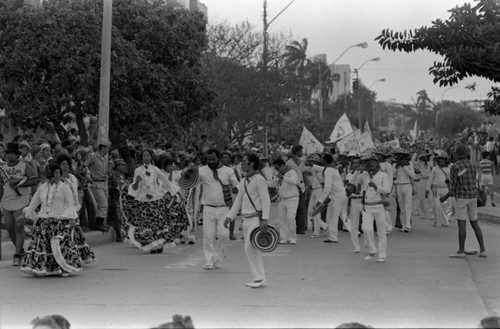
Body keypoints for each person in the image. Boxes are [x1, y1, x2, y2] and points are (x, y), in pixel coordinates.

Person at [21, 163, 81, 277]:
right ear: (50, 174)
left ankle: (63, 268)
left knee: (58, 245)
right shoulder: (42, 188)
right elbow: (34, 202)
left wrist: (71, 218)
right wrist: (27, 213)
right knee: (41, 243)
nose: (58, 175)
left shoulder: (65, 187)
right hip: (43, 219)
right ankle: (41, 267)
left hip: (59, 220)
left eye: (59, 173)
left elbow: (70, 204)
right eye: (55, 173)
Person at [122, 149, 187, 253]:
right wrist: (137, 182)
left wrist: (177, 194)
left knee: (158, 223)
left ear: (151, 157)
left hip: (155, 200)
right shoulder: (138, 170)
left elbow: (167, 183)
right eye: (143, 156)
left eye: (147, 155)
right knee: (147, 224)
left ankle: (159, 244)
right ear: (141, 158)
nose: (145, 157)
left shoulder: (156, 169)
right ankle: (151, 245)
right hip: (143, 201)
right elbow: (134, 187)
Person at [224, 152, 271, 288]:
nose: (242, 164)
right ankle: (259, 278)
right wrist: (229, 217)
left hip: (256, 218)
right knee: (251, 249)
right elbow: (238, 201)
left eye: (244, 161)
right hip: (246, 219)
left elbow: (266, 200)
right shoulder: (243, 181)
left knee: (250, 247)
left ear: (251, 164)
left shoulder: (259, 179)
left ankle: (259, 278)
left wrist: (265, 219)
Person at [196, 148, 239, 269]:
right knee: (208, 236)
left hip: (224, 208)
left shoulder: (228, 171)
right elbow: (193, 183)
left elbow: (237, 185)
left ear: (218, 158)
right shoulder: (202, 171)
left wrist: (236, 189)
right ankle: (209, 260)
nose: (211, 161)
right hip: (208, 208)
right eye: (209, 159)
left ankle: (218, 258)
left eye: (213, 159)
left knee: (224, 235)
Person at [0, 142, 38, 266]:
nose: (9, 156)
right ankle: (21, 251)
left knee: (18, 227)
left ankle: (16, 255)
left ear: (17, 155)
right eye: (7, 153)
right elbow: (1, 185)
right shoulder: (2, 168)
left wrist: (19, 183)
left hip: (21, 200)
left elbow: (34, 179)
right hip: (6, 201)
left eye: (12, 153)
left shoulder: (25, 165)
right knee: (10, 228)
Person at [448, 144, 487, 258]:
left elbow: (453, 184)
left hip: (461, 197)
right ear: (466, 154)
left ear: (456, 155)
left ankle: (461, 251)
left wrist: (450, 193)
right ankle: (483, 250)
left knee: (462, 224)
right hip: (473, 197)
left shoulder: (454, 167)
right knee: (475, 223)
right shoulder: (473, 165)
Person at [57, 154, 95, 264]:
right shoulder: (58, 180)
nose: (66, 166)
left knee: (76, 232)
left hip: (73, 208)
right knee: (66, 233)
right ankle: (66, 257)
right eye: (63, 164)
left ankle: (78, 256)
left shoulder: (72, 178)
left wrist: (83, 180)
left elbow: (78, 189)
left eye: (67, 164)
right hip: (62, 210)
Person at [357, 154, 390, 262]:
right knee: (366, 228)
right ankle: (372, 249)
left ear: (376, 163)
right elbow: (354, 181)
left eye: (372, 161)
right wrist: (359, 170)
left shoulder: (383, 175)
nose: (370, 163)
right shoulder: (364, 175)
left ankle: (382, 255)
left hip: (379, 205)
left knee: (381, 232)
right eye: (368, 162)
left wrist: (376, 187)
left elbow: (387, 190)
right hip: (367, 206)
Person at [313, 153, 348, 243]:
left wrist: (320, 201)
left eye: (322, 159)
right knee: (341, 215)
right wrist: (312, 165)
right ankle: (355, 231)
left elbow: (327, 187)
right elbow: (320, 168)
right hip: (339, 194)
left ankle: (333, 237)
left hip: (337, 196)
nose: (321, 160)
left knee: (334, 216)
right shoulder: (332, 168)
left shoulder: (328, 170)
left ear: (325, 161)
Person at [84, 140, 111, 232]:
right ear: (103, 148)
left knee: (103, 204)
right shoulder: (93, 157)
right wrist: (88, 178)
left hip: (104, 183)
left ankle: (101, 223)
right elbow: (83, 166)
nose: (108, 150)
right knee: (103, 203)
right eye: (107, 148)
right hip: (96, 183)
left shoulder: (105, 158)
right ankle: (98, 223)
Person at [272, 158, 300, 245]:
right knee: (282, 219)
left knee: (290, 218)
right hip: (282, 199)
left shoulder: (292, 172)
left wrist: (283, 177)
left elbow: (295, 181)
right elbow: (274, 184)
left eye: (277, 168)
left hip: (292, 198)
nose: (277, 170)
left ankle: (292, 238)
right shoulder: (277, 174)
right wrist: (263, 182)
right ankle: (283, 238)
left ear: (282, 165)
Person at [392, 148, 417, 233]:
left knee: (408, 205)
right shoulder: (395, 164)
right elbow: (392, 175)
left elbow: (413, 176)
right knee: (401, 207)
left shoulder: (409, 163)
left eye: (399, 155)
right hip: (399, 186)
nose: (397, 156)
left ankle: (408, 225)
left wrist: (404, 167)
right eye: (397, 155)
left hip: (407, 185)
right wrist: (396, 167)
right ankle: (403, 225)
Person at [285, 145, 307, 234]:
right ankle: (293, 227)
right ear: (297, 152)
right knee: (294, 208)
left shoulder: (303, 162)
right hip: (293, 187)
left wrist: (307, 185)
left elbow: (304, 174)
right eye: (300, 151)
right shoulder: (288, 163)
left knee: (302, 208)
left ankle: (301, 228)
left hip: (302, 187)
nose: (302, 153)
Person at [426, 153, 452, 227]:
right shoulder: (435, 168)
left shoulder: (449, 168)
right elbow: (430, 179)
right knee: (436, 205)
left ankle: (445, 221)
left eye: (443, 159)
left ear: (446, 160)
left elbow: (451, 178)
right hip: (436, 189)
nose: (441, 161)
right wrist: (427, 188)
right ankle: (436, 221)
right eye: (440, 159)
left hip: (445, 189)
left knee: (445, 206)